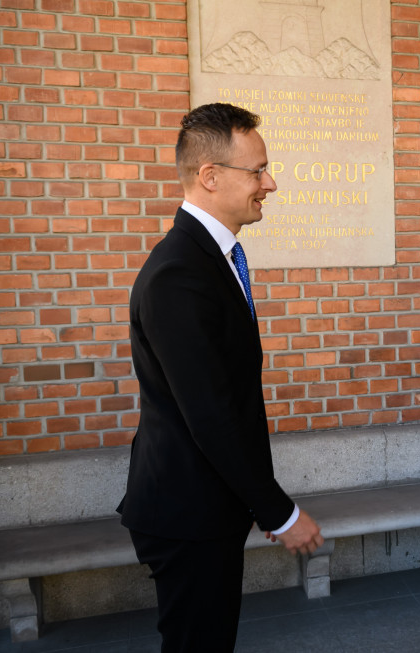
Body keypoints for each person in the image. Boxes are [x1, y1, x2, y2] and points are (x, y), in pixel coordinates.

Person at [118, 103, 324, 653]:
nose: (270, 183)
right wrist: (279, 511)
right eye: (257, 171)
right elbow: (208, 414)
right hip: (187, 509)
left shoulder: (211, 256)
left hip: (209, 503)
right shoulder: (179, 274)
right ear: (210, 176)